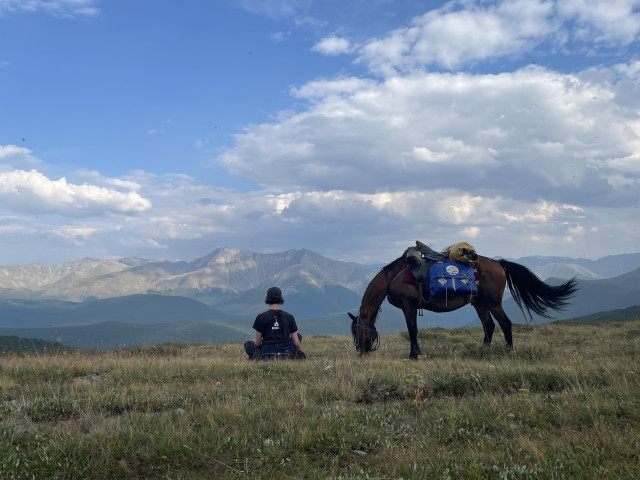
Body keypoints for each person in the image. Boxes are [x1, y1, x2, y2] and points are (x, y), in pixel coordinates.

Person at [246, 287, 305, 360]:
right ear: (281, 298)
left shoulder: (261, 317)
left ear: (267, 298)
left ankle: (256, 358)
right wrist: (300, 354)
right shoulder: (289, 317)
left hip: (267, 354)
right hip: (286, 353)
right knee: (298, 336)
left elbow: (257, 343)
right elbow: (296, 343)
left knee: (247, 344)